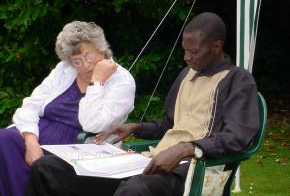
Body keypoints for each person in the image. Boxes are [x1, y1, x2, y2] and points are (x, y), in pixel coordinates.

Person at [24, 12, 259, 196]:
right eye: (185, 51)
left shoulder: (237, 80)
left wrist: (186, 148)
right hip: (151, 163)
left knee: (135, 190)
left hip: (190, 171)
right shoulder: (186, 74)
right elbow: (169, 123)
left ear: (216, 47)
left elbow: (238, 136)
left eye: (193, 52)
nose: (187, 57)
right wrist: (135, 127)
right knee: (48, 169)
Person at [0, 21, 136, 196]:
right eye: (76, 61)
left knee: (44, 166)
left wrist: (97, 82)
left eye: (88, 56)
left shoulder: (122, 81)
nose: (85, 65)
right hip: (39, 133)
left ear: (100, 48)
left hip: (76, 144)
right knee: (3, 139)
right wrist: (31, 142)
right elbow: (31, 105)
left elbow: (93, 124)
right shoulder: (64, 69)